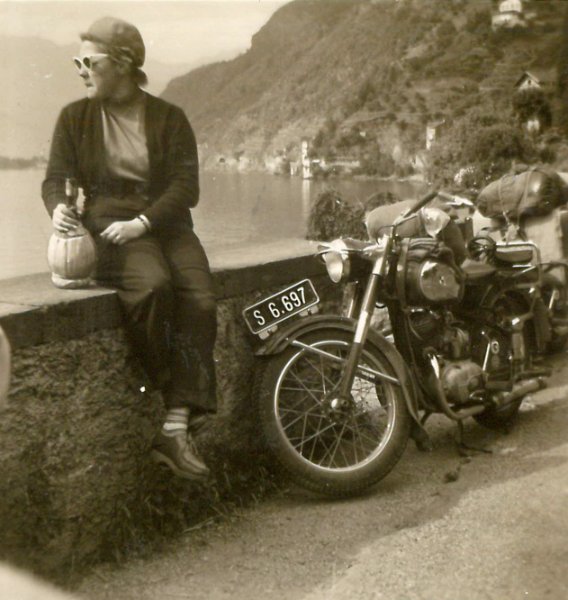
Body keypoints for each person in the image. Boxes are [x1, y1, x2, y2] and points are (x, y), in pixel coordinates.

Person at [42, 17, 217, 481]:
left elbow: (186, 187)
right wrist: (58, 207)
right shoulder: (74, 118)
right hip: (108, 226)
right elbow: (56, 179)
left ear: (122, 64)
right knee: (153, 287)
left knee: (200, 298)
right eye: (77, 62)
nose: (81, 70)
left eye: (89, 61)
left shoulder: (169, 118)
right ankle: (180, 413)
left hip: (165, 224)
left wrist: (144, 222)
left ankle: (174, 426)